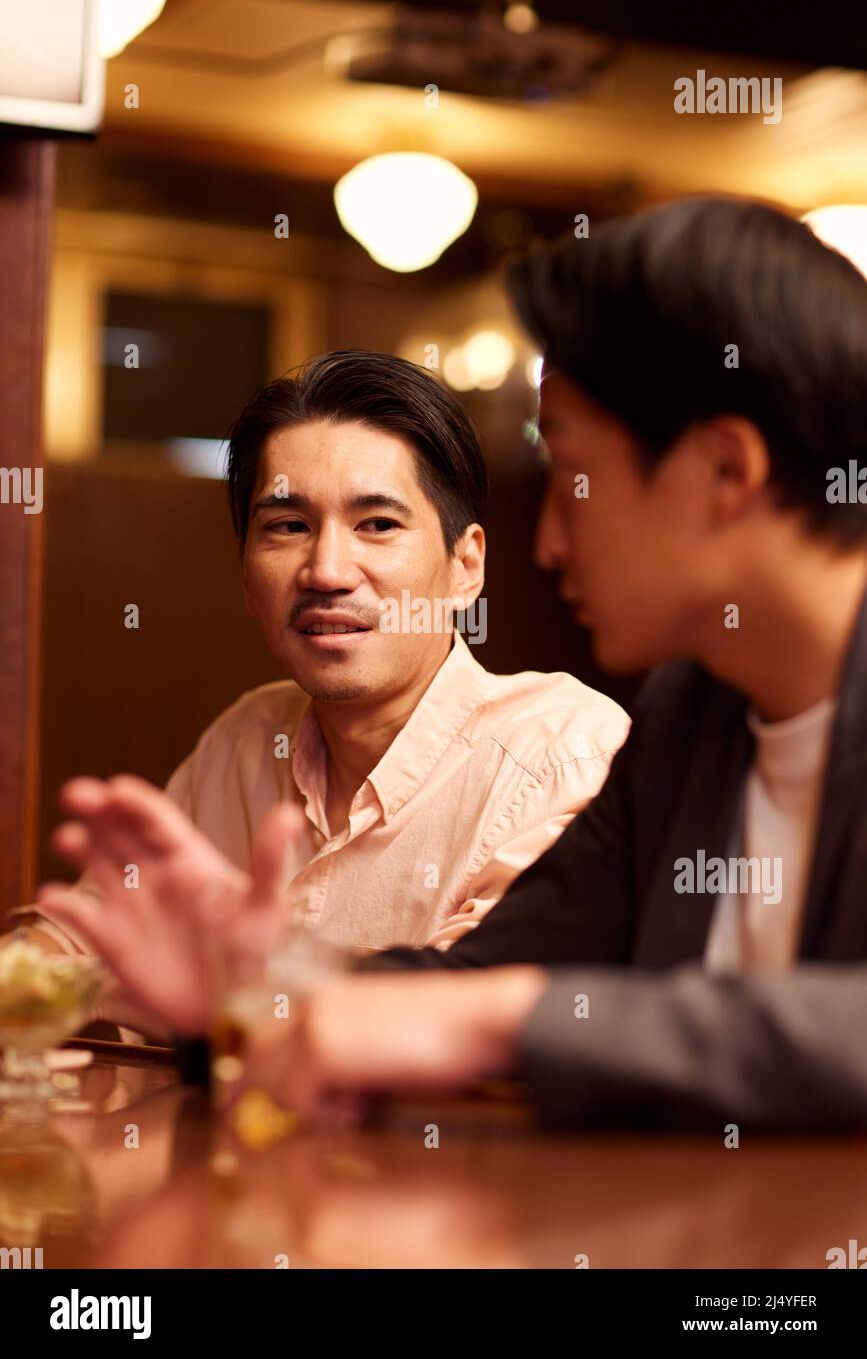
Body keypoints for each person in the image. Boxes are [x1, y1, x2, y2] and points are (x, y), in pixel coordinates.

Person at [38, 196, 867, 1129]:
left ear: (725, 472)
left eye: (573, 478)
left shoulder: (585, 731)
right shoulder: (694, 718)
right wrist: (253, 987)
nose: (548, 543)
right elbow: (480, 974)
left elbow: (510, 1005)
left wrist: (507, 1018)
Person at [9, 350, 628, 1034]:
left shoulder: (561, 753)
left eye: (377, 524)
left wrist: (225, 979)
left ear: (465, 566)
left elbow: (470, 1017)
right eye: (288, 526)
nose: (327, 570)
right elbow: (79, 944)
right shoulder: (247, 738)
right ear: (247, 580)